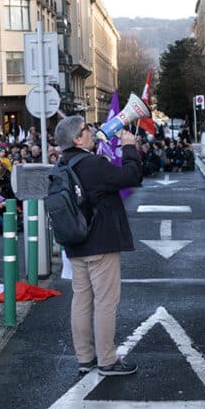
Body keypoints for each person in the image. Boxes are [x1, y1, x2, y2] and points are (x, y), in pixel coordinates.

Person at [53, 115, 143, 377]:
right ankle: (107, 360)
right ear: (76, 139)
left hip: (76, 242)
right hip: (101, 241)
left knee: (81, 299)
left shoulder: (63, 164)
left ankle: (85, 358)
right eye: (86, 130)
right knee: (106, 301)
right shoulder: (91, 164)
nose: (91, 132)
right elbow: (130, 176)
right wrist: (128, 148)